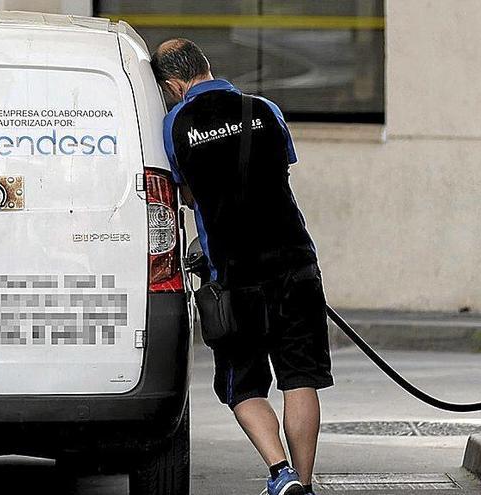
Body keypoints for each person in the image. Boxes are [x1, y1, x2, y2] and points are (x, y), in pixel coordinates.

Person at [151, 38, 333, 495]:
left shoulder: (175, 125)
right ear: (207, 66)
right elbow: (280, 170)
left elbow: (186, 192)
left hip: (233, 277)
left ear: (173, 85)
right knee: (300, 378)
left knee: (244, 386)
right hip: (295, 261)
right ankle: (305, 484)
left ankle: (280, 473)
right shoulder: (264, 109)